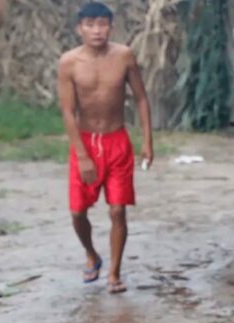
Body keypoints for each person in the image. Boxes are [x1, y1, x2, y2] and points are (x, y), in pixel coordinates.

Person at [57, 2, 153, 294]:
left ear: (111, 27)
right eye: (90, 25)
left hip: (117, 141)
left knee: (117, 210)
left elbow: (140, 99)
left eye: (102, 24)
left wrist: (147, 140)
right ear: (80, 29)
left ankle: (114, 273)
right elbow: (67, 111)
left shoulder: (123, 56)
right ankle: (92, 255)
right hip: (85, 142)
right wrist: (82, 155)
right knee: (77, 212)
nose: (96, 30)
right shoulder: (69, 62)